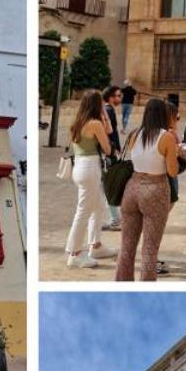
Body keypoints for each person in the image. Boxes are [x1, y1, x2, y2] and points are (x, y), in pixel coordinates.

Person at [115, 97, 182, 282]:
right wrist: (179, 155)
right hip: (155, 189)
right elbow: (172, 171)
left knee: (126, 246)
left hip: (132, 188)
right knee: (150, 249)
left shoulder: (134, 134)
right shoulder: (166, 137)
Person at [64, 90, 113, 268]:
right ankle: (74, 253)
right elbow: (107, 148)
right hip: (90, 167)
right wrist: (104, 114)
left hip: (79, 166)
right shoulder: (94, 124)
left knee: (98, 206)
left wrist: (104, 115)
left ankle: (96, 245)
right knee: (83, 212)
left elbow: (109, 129)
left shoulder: (77, 122)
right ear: (96, 105)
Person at [101, 87, 126, 232]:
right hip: (109, 152)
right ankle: (115, 218)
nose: (120, 98)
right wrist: (115, 148)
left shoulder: (106, 110)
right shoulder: (108, 110)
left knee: (109, 185)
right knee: (110, 185)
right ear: (110, 97)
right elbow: (110, 132)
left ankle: (116, 217)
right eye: (118, 95)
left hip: (109, 151)